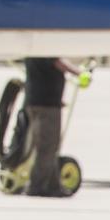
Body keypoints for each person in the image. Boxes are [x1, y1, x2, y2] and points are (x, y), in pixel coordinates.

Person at [22, 57, 78, 197]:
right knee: (47, 147)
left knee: (50, 146)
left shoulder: (32, 51)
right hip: (46, 105)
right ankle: (36, 185)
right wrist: (78, 72)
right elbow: (58, 63)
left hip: (40, 101)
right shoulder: (45, 48)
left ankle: (53, 186)